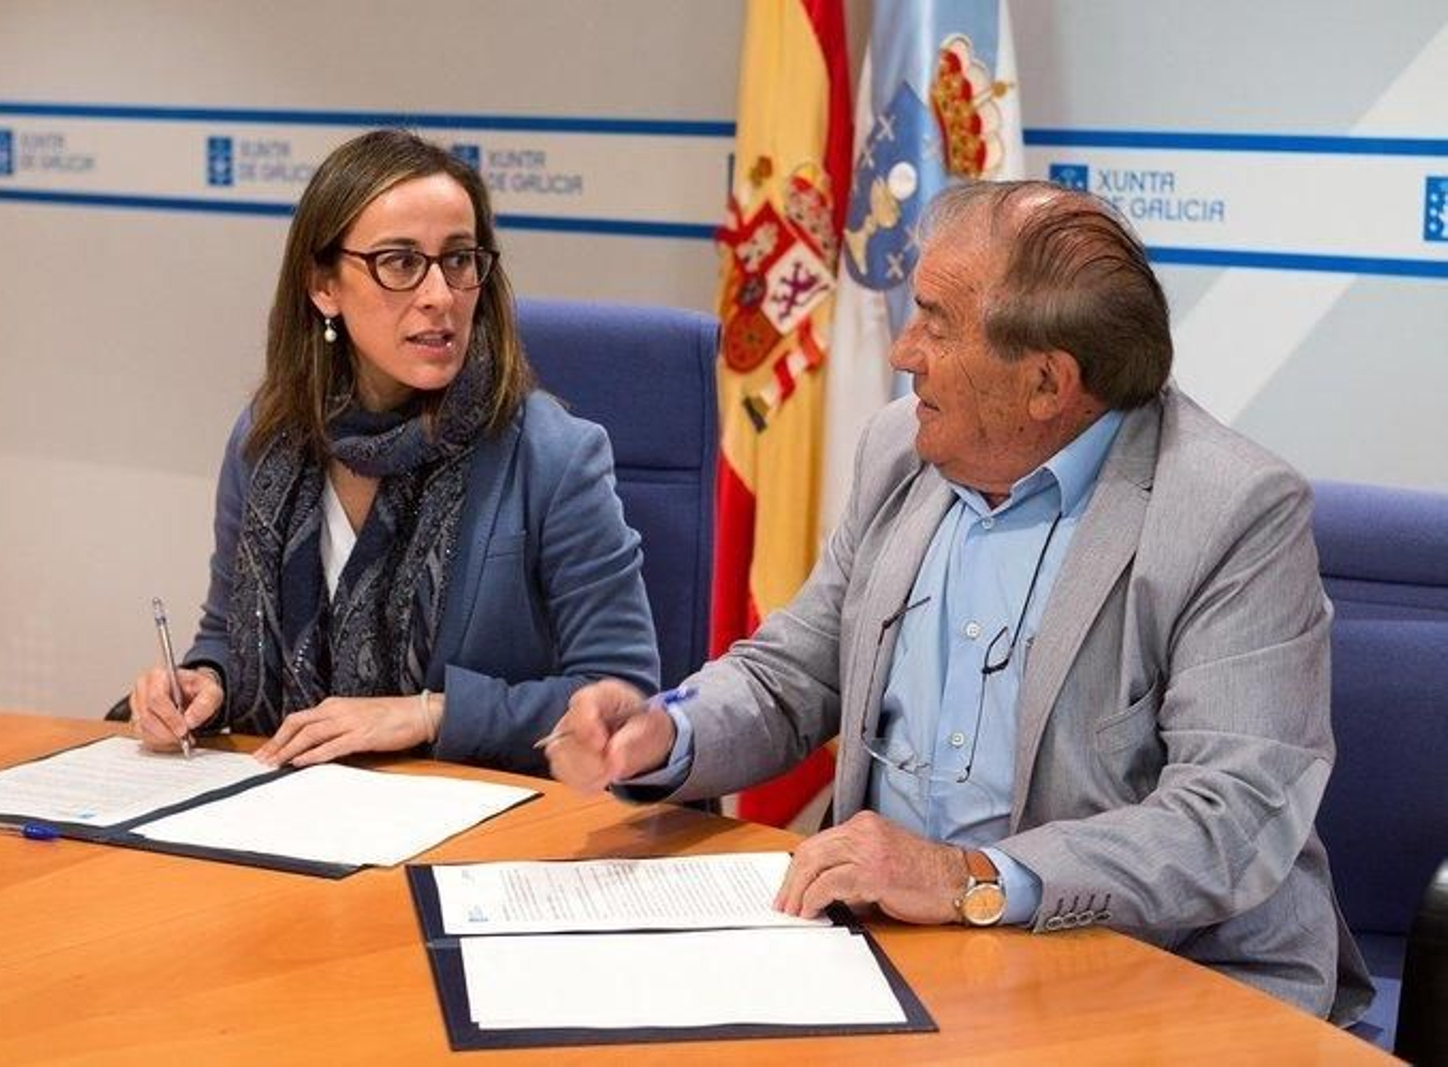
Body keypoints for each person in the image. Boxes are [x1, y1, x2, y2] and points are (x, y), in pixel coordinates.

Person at [547, 180, 1372, 1023]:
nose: (904, 351)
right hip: (888, 955)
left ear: (1047, 384)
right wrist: (667, 732)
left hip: (1146, 971)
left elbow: (1230, 816)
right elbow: (789, 673)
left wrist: (968, 880)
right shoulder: (901, 450)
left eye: (937, 323)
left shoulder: (1232, 510)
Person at [128, 128, 658, 776]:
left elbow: (626, 697)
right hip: (289, 807)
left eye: (459, 260)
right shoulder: (266, 441)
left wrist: (428, 712)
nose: (439, 295)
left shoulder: (553, 456)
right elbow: (226, 634)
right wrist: (202, 681)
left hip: (480, 828)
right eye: (400, 263)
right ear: (324, 286)